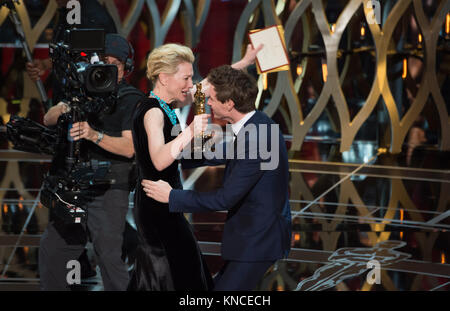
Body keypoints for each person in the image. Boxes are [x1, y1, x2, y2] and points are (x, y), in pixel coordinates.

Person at [141, 65, 292, 291]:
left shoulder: (256, 139)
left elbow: (224, 199)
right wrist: (174, 153)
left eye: (211, 99)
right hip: (254, 236)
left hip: (258, 242)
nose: (208, 103)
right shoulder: (255, 123)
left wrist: (171, 196)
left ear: (229, 103)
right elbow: (220, 154)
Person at [128, 43, 262, 290]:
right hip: (156, 205)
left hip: (166, 201)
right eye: (186, 77)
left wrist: (244, 62)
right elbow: (158, 160)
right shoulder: (153, 112)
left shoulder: (166, 104)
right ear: (164, 77)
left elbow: (208, 85)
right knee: (173, 271)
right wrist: (190, 131)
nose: (191, 83)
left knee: (174, 269)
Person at [38, 33, 144, 291]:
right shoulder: (82, 91)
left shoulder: (131, 98)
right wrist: (70, 104)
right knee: (53, 251)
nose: (106, 68)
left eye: (114, 64)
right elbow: (48, 119)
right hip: (73, 185)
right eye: (102, 62)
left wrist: (93, 134)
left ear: (126, 68)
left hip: (108, 186)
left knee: (108, 255)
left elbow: (129, 148)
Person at [26, 0, 117, 105]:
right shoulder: (71, 12)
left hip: (84, 101)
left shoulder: (90, 17)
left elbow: (85, 59)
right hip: (69, 97)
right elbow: (70, 52)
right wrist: (45, 64)